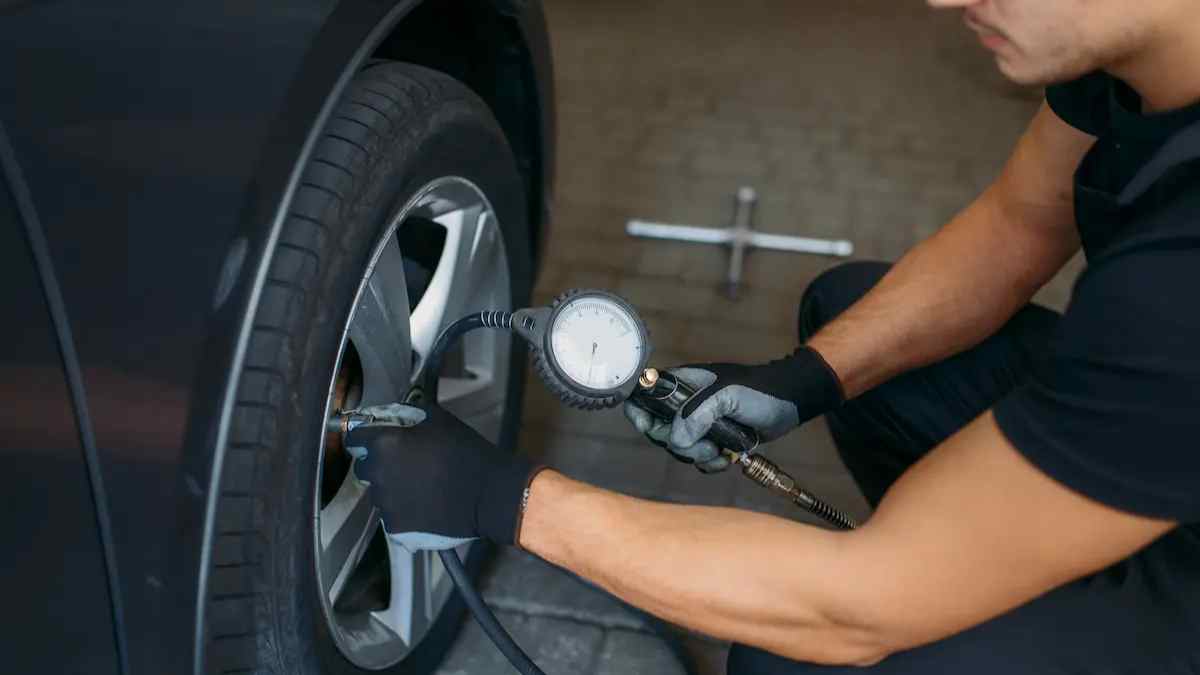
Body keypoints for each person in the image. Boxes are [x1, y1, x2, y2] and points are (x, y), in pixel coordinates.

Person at [347, 0, 1200, 671]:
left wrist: (507, 499)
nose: (943, 0)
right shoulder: (1140, 60)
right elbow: (1017, 225)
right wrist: (806, 380)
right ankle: (995, 566)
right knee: (848, 313)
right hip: (1166, 454)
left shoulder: (1178, 283)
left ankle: (978, 589)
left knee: (793, 655)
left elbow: (856, 608)